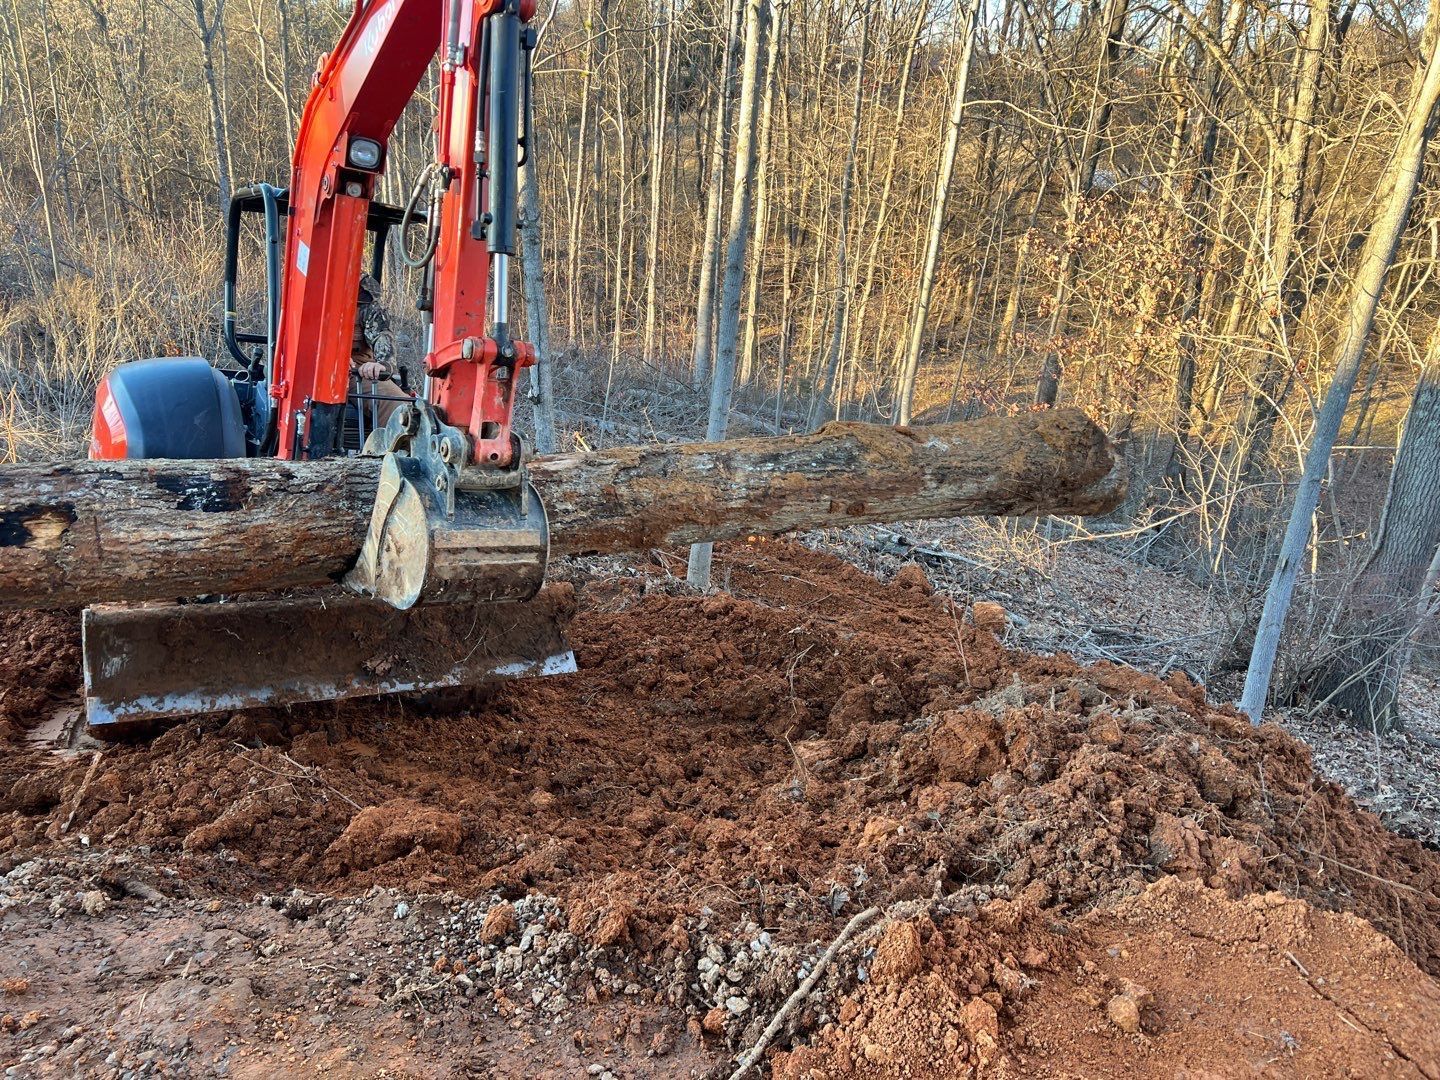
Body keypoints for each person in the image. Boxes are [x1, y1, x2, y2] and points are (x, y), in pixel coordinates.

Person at [352, 272, 411, 431]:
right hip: (308, 372)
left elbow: (381, 335)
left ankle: (388, 450)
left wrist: (383, 364)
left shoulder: (364, 299)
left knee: (397, 403)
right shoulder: (302, 287)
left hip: (353, 371)